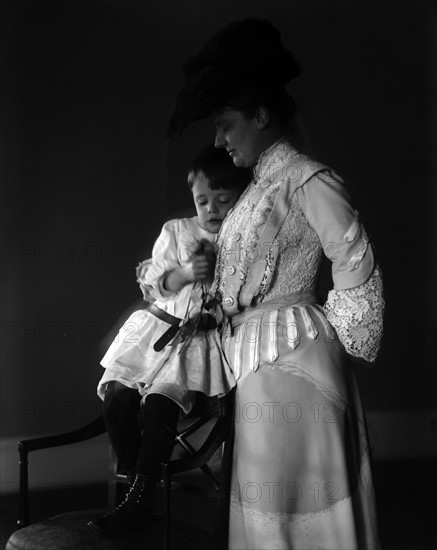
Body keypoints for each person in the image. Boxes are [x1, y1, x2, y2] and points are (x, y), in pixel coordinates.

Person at [168, 18, 385, 550]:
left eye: (226, 124)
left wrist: (334, 331)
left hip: (295, 359)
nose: (218, 139)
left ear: (261, 116)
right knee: (267, 503)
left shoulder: (306, 179)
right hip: (256, 363)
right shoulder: (252, 189)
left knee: (293, 502)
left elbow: (353, 253)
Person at [88, 145, 251, 538]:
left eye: (223, 200)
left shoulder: (241, 238)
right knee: (118, 398)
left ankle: (139, 499)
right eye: (202, 201)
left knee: (162, 403)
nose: (211, 209)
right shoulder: (177, 231)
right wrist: (185, 272)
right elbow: (156, 286)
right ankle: (137, 493)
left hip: (196, 342)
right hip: (156, 331)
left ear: (240, 199)